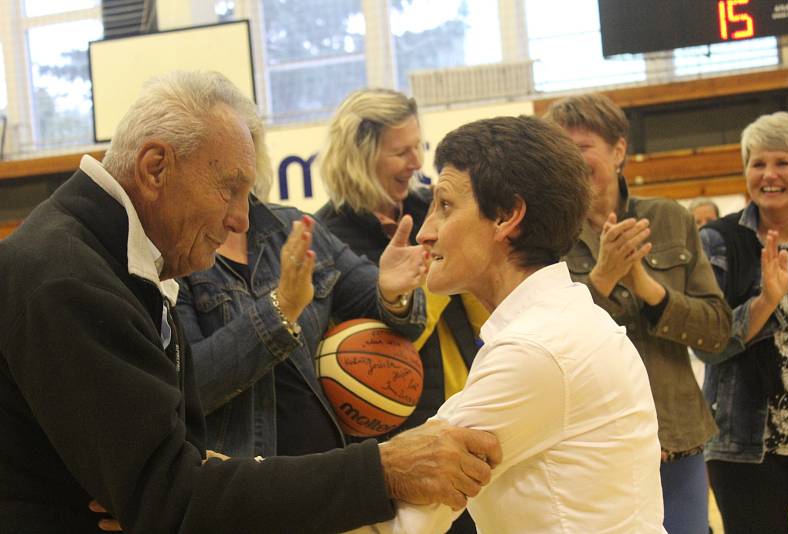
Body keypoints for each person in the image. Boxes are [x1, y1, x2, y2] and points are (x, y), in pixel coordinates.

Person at [0, 70, 502, 534]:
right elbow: (169, 500)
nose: (240, 217)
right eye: (230, 189)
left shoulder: (125, 257)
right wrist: (383, 469)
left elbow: (169, 475)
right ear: (156, 168)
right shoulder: (71, 280)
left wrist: (176, 482)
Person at [348, 115, 664, 533]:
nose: (425, 233)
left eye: (444, 206)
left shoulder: (535, 351)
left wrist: (256, 495)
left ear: (507, 216)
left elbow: (406, 523)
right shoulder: (564, 322)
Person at [545, 93, 732, 534]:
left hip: (677, 436)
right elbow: (546, 342)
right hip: (590, 446)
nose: (572, 159)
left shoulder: (669, 218)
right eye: (561, 150)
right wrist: (604, 280)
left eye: (583, 146)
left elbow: (718, 332)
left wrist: (646, 287)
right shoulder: (544, 236)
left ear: (619, 150)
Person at [176, 177, 430, 458]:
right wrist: (280, 309)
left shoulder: (293, 226)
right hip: (244, 480)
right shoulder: (175, 251)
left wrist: (393, 294)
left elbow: (400, 317)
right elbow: (191, 385)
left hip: (327, 463)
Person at [316, 88, 488, 434]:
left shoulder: (431, 206)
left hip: (469, 393)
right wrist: (435, 265)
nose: (417, 163)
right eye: (401, 152)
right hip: (399, 420)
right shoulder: (328, 237)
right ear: (360, 157)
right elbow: (372, 346)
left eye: (418, 147)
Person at [698, 111, 788, 534]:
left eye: (782, 162)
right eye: (757, 163)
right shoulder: (717, 240)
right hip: (743, 443)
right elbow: (707, 344)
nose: (768, 174)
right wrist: (766, 301)